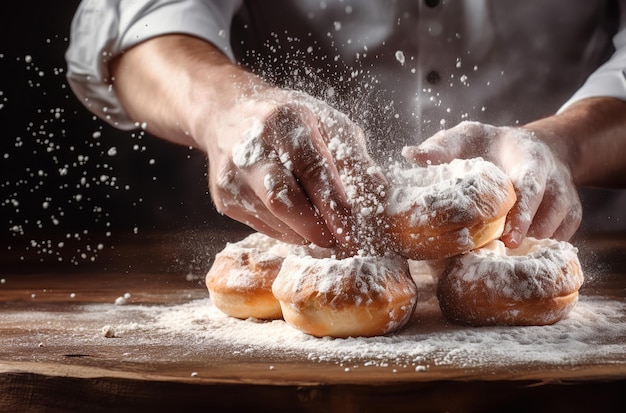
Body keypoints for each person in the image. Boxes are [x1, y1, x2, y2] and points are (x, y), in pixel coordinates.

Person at [65, 0, 626, 253]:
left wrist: (565, 141)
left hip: (555, 240)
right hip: (292, 232)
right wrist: (227, 107)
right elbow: (139, 18)